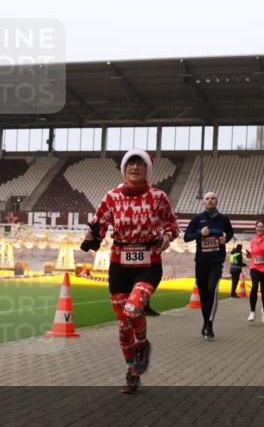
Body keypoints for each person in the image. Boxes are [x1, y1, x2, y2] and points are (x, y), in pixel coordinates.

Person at [81, 149, 179, 394]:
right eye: (130, 164)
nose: (135, 167)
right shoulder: (112, 197)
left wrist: (167, 236)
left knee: (133, 308)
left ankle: (143, 344)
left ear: (147, 169)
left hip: (148, 263)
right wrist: (92, 236)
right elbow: (100, 225)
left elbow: (172, 224)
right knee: (123, 325)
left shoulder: (158, 197)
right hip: (120, 264)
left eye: (140, 163)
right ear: (124, 169)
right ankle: (131, 372)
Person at [183, 192, 233, 340]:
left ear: (217, 201)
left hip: (216, 261)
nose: (210, 200)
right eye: (207, 198)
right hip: (201, 261)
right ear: (203, 202)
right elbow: (186, 237)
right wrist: (200, 233)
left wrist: (226, 239)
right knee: (204, 294)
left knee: (212, 290)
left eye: (213, 198)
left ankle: (210, 324)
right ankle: (205, 323)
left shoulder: (223, 219)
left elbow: (230, 233)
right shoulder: (197, 219)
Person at [247, 220, 264, 324]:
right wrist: (249, 255)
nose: (259, 228)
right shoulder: (253, 240)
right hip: (254, 267)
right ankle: (252, 312)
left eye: (262, 227)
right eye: (258, 226)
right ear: (255, 228)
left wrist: (261, 247)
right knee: (254, 286)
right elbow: (254, 254)